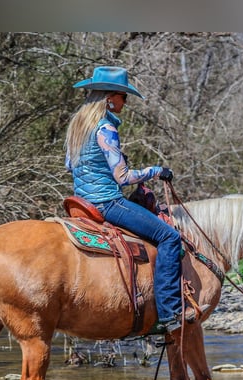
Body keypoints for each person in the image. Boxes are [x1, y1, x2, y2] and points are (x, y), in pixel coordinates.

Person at [65, 66, 202, 333]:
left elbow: (70, 166)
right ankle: (170, 312)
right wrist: (156, 171)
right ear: (110, 98)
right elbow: (123, 177)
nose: (125, 103)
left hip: (81, 202)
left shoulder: (77, 127)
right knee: (169, 238)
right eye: (124, 97)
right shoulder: (105, 128)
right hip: (106, 202)